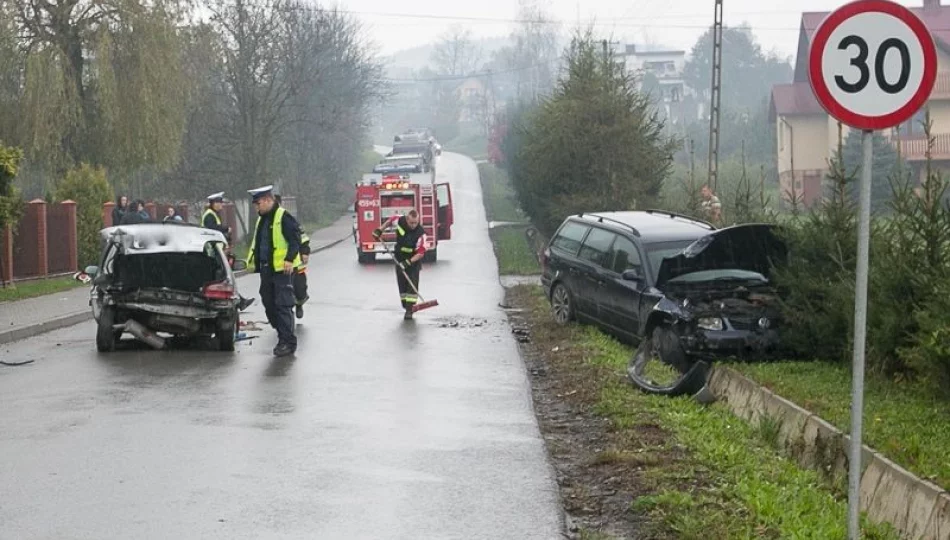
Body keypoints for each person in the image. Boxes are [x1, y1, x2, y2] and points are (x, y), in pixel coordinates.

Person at [246, 185, 302, 357]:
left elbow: (295, 239)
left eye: (258, 204)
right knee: (269, 304)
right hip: (266, 270)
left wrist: (289, 259)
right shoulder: (262, 219)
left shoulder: (283, 216)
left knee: (282, 305)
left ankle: (287, 342)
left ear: (268, 200)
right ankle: (282, 335)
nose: (256, 208)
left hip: (282, 271)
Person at [201, 192, 254, 312]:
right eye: (219, 202)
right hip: (212, 251)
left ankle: (240, 301)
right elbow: (212, 229)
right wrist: (226, 228)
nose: (221, 205)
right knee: (224, 278)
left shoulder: (213, 214)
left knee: (224, 278)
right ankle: (239, 301)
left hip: (216, 250)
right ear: (213, 203)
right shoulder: (209, 215)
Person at [373, 209, 427, 320]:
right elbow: (390, 221)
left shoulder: (421, 234)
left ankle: (409, 310)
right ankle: (405, 304)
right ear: (407, 219)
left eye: (415, 223)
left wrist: (408, 262)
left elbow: (421, 252)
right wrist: (380, 230)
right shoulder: (399, 220)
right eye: (411, 222)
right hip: (399, 258)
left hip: (413, 262)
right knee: (402, 285)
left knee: (412, 285)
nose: (413, 225)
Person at [273, 194, 310, 319]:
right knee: (280, 294)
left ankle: (299, 304)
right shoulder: (265, 221)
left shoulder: (287, 218)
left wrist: (305, 251)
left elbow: (301, 237)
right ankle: (285, 316)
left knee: (299, 288)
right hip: (276, 266)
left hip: (294, 262)